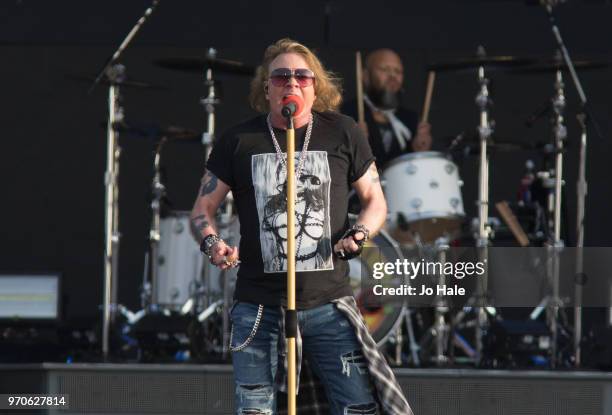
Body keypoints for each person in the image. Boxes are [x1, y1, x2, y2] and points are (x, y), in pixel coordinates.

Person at [190, 38, 412, 415]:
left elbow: (376, 201)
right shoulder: (240, 140)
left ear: (315, 85)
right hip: (258, 306)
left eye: (301, 76)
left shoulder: (343, 132)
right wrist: (213, 243)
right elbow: (202, 209)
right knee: (255, 408)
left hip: (328, 303)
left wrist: (359, 234)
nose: (291, 83)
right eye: (280, 76)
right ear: (266, 87)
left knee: (357, 406)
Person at [344, 48, 433, 168]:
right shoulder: (346, 114)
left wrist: (420, 152)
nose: (392, 76)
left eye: (398, 71)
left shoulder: (411, 120)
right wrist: (350, 145)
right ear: (365, 76)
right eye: (384, 69)